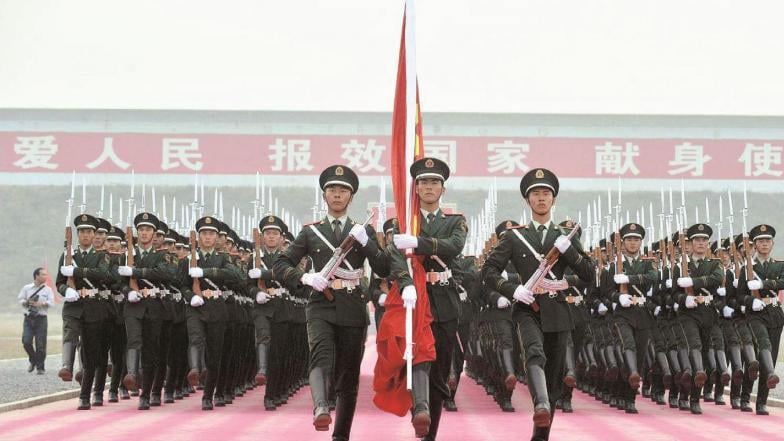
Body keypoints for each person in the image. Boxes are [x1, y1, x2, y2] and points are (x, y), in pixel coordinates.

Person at [273, 164, 389, 441]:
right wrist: (305, 277)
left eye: (343, 190)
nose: (337, 194)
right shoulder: (311, 232)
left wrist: (368, 243)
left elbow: (384, 267)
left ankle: (341, 436)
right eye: (332, 190)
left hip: (352, 306)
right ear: (324, 195)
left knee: (348, 376)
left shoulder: (362, 230)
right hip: (320, 305)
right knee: (320, 356)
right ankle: (321, 407)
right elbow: (280, 264)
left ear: (351, 196)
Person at [482, 168, 593, 441]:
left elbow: (589, 274)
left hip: (558, 311)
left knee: (554, 377)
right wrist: (513, 289)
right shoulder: (514, 236)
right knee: (534, 354)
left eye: (546, 193)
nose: (541, 198)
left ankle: (540, 434)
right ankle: (540, 404)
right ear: (527, 200)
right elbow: (488, 271)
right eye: (535, 194)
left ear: (553, 199)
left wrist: (570, 252)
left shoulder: (566, 236)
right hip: (527, 309)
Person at [18, 267, 54, 374]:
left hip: (41, 319)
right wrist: (26, 302)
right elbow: (20, 299)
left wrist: (41, 304)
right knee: (26, 342)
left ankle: (40, 367)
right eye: (43, 274)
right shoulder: (27, 288)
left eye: (46, 274)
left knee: (41, 345)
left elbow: (51, 303)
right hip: (28, 319)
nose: (46, 276)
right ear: (37, 276)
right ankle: (33, 359)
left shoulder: (48, 289)